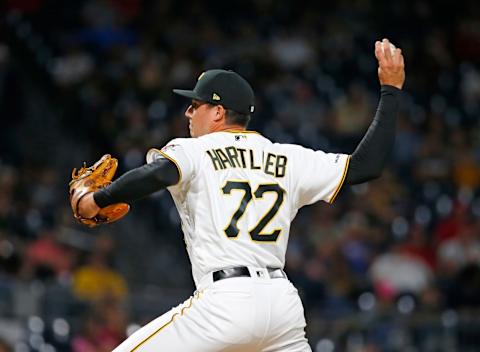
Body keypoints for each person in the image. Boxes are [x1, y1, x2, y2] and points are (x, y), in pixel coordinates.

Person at [76, 38, 405, 351]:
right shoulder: (288, 157)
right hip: (281, 305)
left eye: (195, 106)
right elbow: (366, 166)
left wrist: (96, 199)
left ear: (218, 112)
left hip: (226, 301)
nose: (189, 114)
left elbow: (159, 172)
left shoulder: (195, 149)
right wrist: (391, 91)